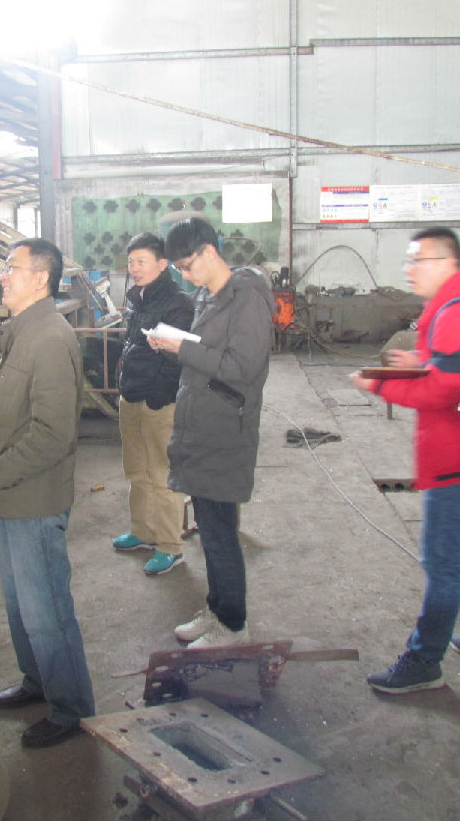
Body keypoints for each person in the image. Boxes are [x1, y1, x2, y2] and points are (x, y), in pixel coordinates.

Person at [349, 227, 460, 694]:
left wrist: (379, 384)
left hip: (454, 462)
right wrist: (419, 361)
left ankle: (424, 661)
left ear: (446, 263)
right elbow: (455, 368)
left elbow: (443, 391)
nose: (408, 269)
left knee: (442, 564)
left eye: (417, 260)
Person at [0, 237, 95, 749]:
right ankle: (38, 681)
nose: (2, 275)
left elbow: (52, 432)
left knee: (46, 611)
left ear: (40, 278)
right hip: (12, 496)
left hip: (33, 498)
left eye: (11, 267)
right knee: (22, 605)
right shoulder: (23, 331)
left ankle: (71, 709)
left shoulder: (48, 338)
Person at [147, 214, 272, 649]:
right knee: (209, 526)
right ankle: (217, 609)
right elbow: (209, 352)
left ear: (210, 251)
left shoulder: (247, 298)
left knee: (219, 534)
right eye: (179, 268)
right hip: (200, 422)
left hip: (225, 429)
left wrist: (182, 347)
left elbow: (242, 368)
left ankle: (233, 626)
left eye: (187, 265)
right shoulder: (207, 296)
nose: (185, 275)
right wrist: (172, 343)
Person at [112, 232, 195, 576]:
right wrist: (125, 385)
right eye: (131, 261)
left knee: (161, 474)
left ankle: (170, 546)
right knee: (136, 469)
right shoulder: (137, 299)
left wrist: (160, 395)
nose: (134, 268)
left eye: (141, 261)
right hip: (132, 395)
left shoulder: (179, 303)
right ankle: (143, 531)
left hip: (159, 402)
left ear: (162, 264)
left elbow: (178, 358)